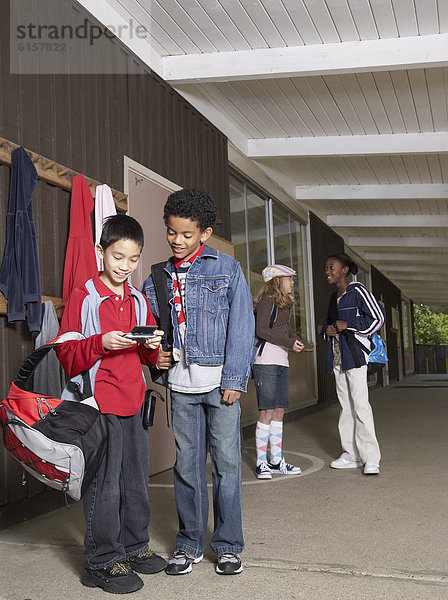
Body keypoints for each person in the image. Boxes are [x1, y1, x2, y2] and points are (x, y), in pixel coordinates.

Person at [141, 189, 255, 576]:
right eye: (171, 232)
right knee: (186, 468)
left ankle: (227, 546)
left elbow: (242, 327)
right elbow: (153, 334)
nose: (177, 240)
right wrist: (155, 358)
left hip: (221, 384)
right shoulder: (156, 276)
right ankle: (188, 544)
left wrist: (235, 379)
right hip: (181, 386)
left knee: (226, 466)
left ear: (204, 233)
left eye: (187, 234)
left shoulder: (227, 269)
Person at [56, 214, 167, 595]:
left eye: (133, 259)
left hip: (133, 402)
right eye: (117, 257)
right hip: (96, 406)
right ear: (100, 252)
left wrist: (153, 350)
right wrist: (102, 343)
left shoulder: (137, 299)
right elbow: (67, 355)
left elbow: (148, 356)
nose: (125, 266)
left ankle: (133, 548)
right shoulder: (83, 297)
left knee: (135, 481)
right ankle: (101, 562)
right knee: (104, 486)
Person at [322, 253, 384, 476]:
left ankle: (370, 458)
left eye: (332, 267)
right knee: (346, 407)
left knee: (360, 405)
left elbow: (377, 318)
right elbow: (329, 324)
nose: (327, 271)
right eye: (326, 268)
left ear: (345, 270)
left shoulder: (357, 291)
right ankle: (350, 455)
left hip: (355, 357)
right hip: (338, 357)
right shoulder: (333, 297)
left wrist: (349, 324)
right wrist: (326, 330)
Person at [253, 265, 305, 479]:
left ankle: (276, 460)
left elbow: (284, 329)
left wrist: (294, 340)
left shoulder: (285, 305)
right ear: (277, 281)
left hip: (282, 361)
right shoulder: (267, 301)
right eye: (289, 279)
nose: (292, 282)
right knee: (266, 411)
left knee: (279, 411)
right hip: (266, 361)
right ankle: (261, 463)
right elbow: (261, 330)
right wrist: (288, 343)